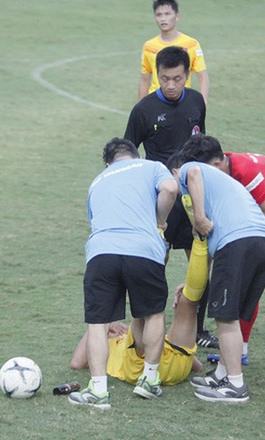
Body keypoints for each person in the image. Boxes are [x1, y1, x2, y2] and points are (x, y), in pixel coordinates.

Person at [180, 134, 265, 373]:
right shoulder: (220, 176)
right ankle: (241, 351)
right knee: (246, 279)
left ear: (216, 165)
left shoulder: (246, 172)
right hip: (255, 219)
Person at [67, 138, 177, 409]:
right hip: (143, 250)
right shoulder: (151, 166)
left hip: (102, 252)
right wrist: (160, 220)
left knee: (98, 322)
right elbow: (171, 188)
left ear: (108, 163)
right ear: (134, 155)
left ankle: (99, 391)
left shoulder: (96, 182)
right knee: (153, 314)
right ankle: (149, 380)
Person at [125, 45, 217, 350]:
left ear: (187, 76)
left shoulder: (195, 101)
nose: (171, 85)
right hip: (161, 204)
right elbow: (126, 155)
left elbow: (201, 144)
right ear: (157, 76)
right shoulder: (143, 111)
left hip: (193, 203)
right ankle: (147, 333)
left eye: (177, 78)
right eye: (165, 79)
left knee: (200, 266)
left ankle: (199, 330)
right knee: (154, 266)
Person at [167, 150, 265, 403]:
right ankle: (222, 374)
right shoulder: (221, 186)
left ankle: (235, 385)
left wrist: (200, 217)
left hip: (238, 243)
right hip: (262, 242)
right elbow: (211, 252)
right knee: (233, 315)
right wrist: (191, 281)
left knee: (225, 318)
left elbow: (191, 171)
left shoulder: (188, 170)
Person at [70, 233, 210, 388]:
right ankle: (195, 239)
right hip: (167, 366)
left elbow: (79, 359)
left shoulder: (105, 347)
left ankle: (172, 240)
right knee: (183, 302)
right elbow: (77, 362)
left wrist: (103, 321)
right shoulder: (105, 344)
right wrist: (106, 323)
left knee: (179, 303)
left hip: (151, 364)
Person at [138, 0, 209, 104]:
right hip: (156, 102)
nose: (163, 19)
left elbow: (203, 76)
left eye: (167, 14)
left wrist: (203, 102)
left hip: (182, 101)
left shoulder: (191, 44)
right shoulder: (149, 46)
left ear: (177, 16)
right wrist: (141, 106)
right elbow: (144, 80)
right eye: (159, 15)